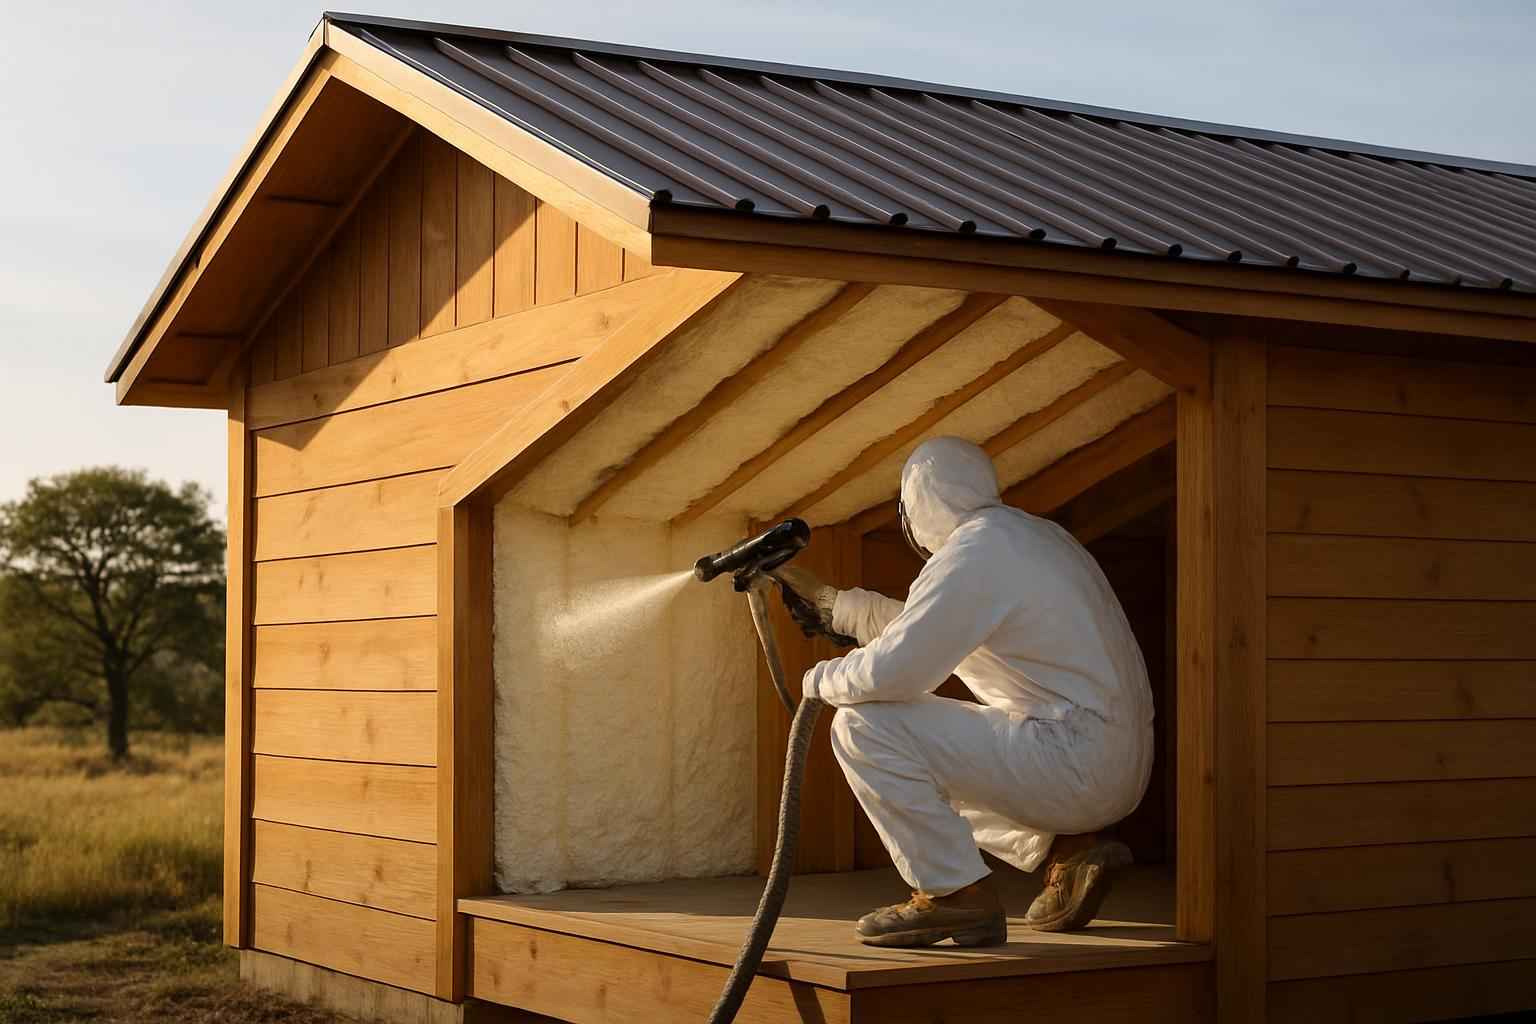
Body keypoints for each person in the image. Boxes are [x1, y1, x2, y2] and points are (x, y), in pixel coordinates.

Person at [775, 436, 1153, 948]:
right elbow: (926, 625)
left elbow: (898, 672)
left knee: (866, 727)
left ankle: (955, 895)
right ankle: (1068, 846)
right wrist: (834, 606)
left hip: (1072, 761)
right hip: (1102, 759)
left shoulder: (976, 550)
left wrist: (816, 680)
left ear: (919, 503)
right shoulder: (1027, 537)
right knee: (924, 748)